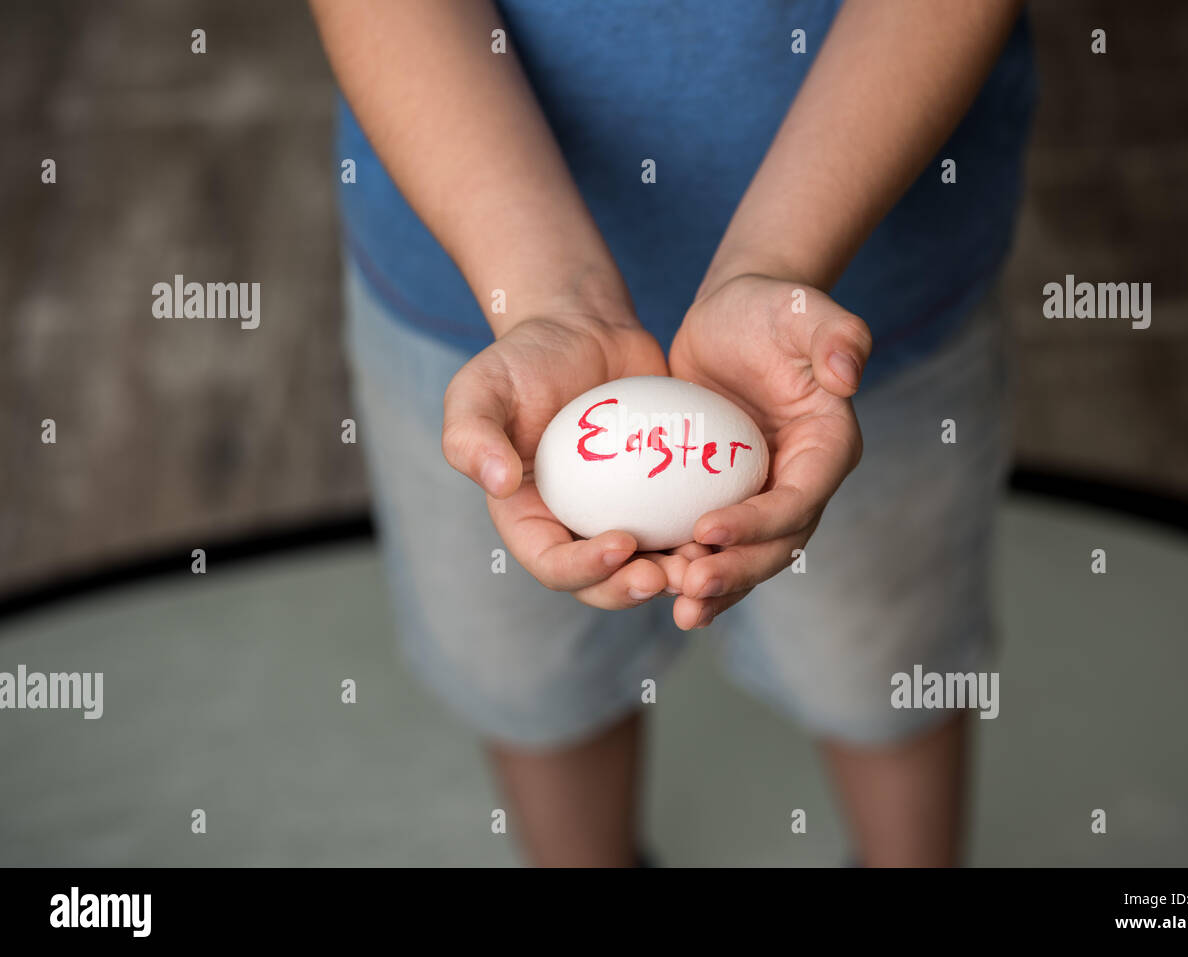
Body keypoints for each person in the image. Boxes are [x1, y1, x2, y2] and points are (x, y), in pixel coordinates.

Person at [310, 0, 1036, 866]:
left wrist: (779, 263)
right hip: (476, 291)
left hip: (850, 313)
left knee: (886, 665)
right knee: (527, 675)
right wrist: (542, 296)